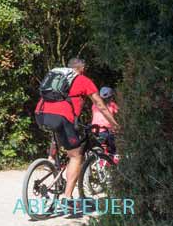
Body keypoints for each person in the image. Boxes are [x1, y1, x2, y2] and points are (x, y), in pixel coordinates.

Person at [35, 58, 120, 199]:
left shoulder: (57, 76)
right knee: (76, 155)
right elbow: (100, 105)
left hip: (41, 113)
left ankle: (51, 161)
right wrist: (114, 124)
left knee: (61, 137)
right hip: (62, 116)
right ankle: (68, 197)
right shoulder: (83, 80)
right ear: (82, 69)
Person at [91, 86, 119, 157]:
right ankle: (114, 156)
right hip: (105, 131)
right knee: (114, 147)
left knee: (102, 149)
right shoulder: (112, 105)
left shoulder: (94, 105)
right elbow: (119, 114)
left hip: (95, 131)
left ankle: (103, 159)